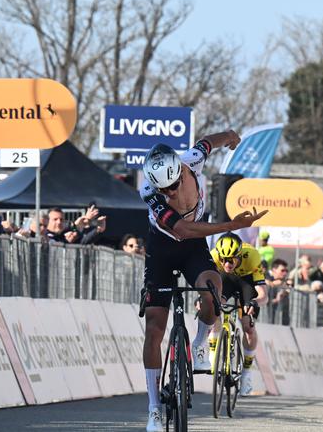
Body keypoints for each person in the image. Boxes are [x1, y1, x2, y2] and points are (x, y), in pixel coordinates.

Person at [139, 133, 266, 432]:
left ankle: (198, 344)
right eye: (163, 189)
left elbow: (210, 141)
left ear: (180, 172)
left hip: (193, 250)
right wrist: (232, 225)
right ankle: (154, 408)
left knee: (211, 290)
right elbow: (183, 228)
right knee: (155, 328)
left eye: (172, 186)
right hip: (164, 249)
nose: (168, 192)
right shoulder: (150, 191)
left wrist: (232, 138)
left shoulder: (190, 160)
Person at [209, 233, 267, 396]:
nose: (227, 263)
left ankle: (247, 373)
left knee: (248, 326)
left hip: (246, 281)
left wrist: (255, 302)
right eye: (223, 259)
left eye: (231, 259)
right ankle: (213, 352)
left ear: (239, 255)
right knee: (214, 305)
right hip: (225, 281)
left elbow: (263, 294)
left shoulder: (252, 256)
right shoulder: (213, 256)